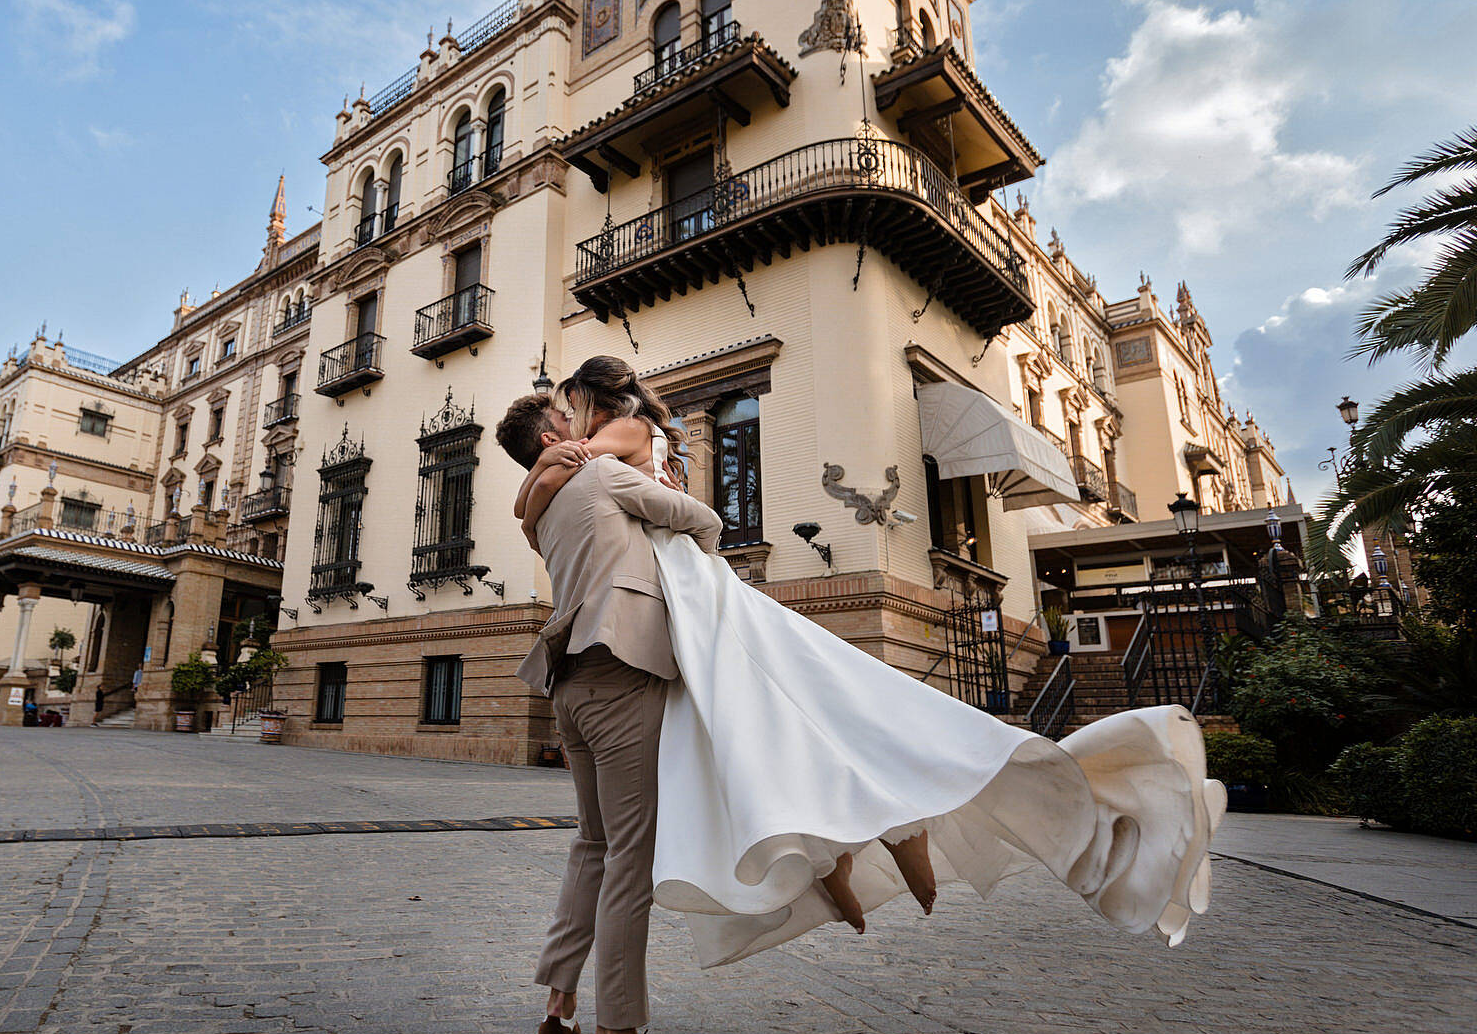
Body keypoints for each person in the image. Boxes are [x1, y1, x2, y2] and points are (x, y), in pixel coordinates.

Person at [517, 354, 1224, 970]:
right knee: (801, 717)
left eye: (569, 410)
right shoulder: (630, 446)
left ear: (594, 403)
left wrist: (547, 465)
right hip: (681, 603)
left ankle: (873, 845)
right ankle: (856, 852)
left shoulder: (621, 434)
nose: (565, 426)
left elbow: (563, 486)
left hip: (694, 598)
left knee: (808, 712)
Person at [493, 391, 720, 1034]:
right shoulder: (600, 476)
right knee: (630, 855)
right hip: (621, 671)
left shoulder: (542, 513)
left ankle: (559, 1010)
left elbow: (538, 510)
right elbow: (705, 520)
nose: (581, 422)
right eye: (569, 416)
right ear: (555, 432)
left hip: (569, 683)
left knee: (592, 845)